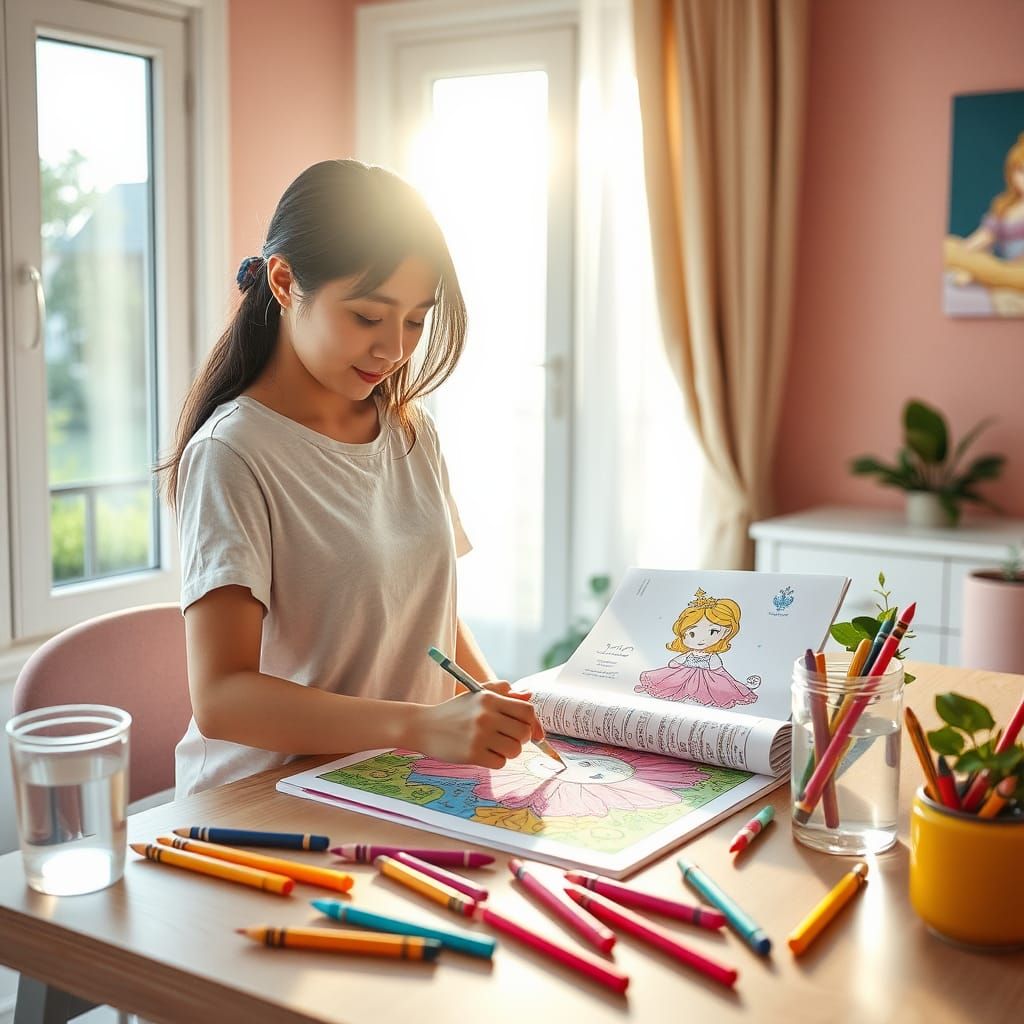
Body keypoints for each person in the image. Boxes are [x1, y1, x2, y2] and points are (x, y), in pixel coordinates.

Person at [160, 159, 544, 798]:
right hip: (264, 806)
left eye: (416, 320)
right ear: (283, 282)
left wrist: (489, 698)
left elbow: (427, 617)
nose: (393, 349)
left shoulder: (408, 428)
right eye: (368, 317)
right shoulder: (234, 453)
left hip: (388, 783)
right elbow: (221, 698)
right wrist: (421, 726)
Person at [634, 589, 761, 709]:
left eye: (713, 631)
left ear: (726, 632)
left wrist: (732, 683)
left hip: (706, 679)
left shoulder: (712, 657)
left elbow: (719, 671)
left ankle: (741, 688)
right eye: (692, 634)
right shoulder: (689, 653)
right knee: (673, 684)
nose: (701, 640)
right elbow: (674, 663)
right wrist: (675, 665)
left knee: (714, 688)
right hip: (683, 674)